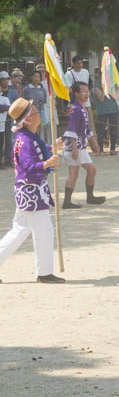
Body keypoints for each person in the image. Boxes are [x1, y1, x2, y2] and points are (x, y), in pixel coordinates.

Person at [0, 98, 64, 283]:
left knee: (19, 231)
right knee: (44, 231)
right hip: (32, 193)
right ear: (28, 119)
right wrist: (46, 163)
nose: (39, 114)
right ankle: (44, 272)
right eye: (35, 112)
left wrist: (51, 148)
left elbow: (37, 150)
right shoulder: (26, 140)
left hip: (28, 192)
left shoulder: (26, 137)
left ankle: (44, 271)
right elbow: (28, 166)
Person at [61, 82, 105, 208]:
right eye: (83, 91)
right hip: (76, 147)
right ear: (76, 93)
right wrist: (74, 148)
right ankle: (89, 197)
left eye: (87, 91)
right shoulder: (76, 110)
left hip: (77, 146)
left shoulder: (82, 108)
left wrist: (94, 142)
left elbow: (86, 130)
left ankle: (67, 201)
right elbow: (71, 130)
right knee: (91, 169)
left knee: (73, 173)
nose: (87, 93)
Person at [92, 76, 119, 155]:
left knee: (113, 130)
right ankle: (101, 149)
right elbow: (101, 99)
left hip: (113, 109)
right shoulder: (98, 86)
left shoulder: (113, 84)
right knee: (101, 131)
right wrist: (105, 88)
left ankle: (112, 149)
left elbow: (117, 95)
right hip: (102, 111)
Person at [20, 71, 48, 144]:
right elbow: (23, 101)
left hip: (40, 112)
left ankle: (39, 144)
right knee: (30, 129)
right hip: (30, 113)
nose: (36, 78)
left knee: (39, 129)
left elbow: (44, 101)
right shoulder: (26, 89)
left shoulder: (42, 89)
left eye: (38, 77)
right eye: (35, 76)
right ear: (31, 77)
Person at [0, 72, 9, 170]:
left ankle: (0, 162)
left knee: (1, 145)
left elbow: (8, 107)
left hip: (1, 126)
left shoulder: (5, 98)